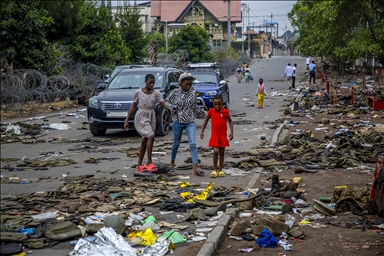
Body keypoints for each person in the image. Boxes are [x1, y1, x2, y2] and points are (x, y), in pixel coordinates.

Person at [124, 74, 170, 172]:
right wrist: (127, 120)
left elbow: (164, 104)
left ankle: (139, 164)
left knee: (145, 140)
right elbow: (133, 106)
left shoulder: (156, 93)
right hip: (141, 116)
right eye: (150, 83)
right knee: (150, 135)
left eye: (153, 83)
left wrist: (170, 108)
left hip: (151, 116)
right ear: (145, 82)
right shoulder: (138, 93)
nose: (151, 85)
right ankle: (149, 161)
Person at [165, 73, 207, 176]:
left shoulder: (192, 92)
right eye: (186, 84)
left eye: (190, 84)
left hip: (190, 122)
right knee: (176, 143)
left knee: (192, 143)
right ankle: (172, 163)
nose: (188, 87)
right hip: (177, 121)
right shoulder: (174, 92)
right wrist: (172, 107)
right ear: (181, 83)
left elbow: (194, 107)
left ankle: (196, 167)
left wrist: (206, 115)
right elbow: (166, 102)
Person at [200, 95, 233, 178]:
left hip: (222, 136)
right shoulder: (211, 111)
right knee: (215, 151)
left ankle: (220, 169)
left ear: (222, 103)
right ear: (213, 104)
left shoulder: (225, 112)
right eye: (216, 104)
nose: (217, 106)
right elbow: (206, 120)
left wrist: (231, 132)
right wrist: (202, 131)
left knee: (222, 152)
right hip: (215, 136)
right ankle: (215, 169)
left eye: (219, 104)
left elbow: (230, 121)